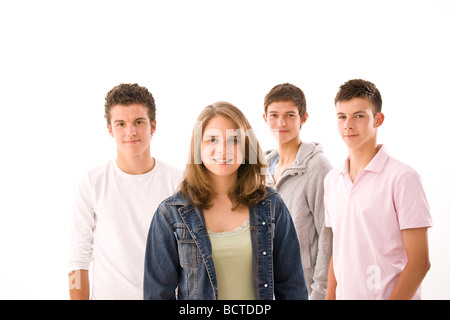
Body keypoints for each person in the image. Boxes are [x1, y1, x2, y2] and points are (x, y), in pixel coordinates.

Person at [143, 101, 308, 300]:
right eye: (212, 139)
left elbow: (292, 288)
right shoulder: (170, 213)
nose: (223, 150)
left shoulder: (272, 206)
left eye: (233, 140)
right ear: (198, 147)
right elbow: (157, 294)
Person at [68, 83, 182, 299]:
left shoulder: (178, 182)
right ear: (110, 129)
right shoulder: (92, 182)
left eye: (139, 122)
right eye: (121, 124)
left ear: (153, 126)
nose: (131, 132)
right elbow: (78, 258)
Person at [324, 79, 432, 300]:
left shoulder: (403, 178)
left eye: (359, 115)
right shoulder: (332, 180)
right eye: (342, 117)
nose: (348, 125)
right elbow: (339, 249)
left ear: (378, 119)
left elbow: (420, 261)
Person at [263, 83, 333, 300]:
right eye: (274, 115)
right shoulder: (260, 169)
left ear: (303, 118)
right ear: (265, 118)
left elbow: (328, 235)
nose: (281, 123)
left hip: (303, 290)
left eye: (290, 115)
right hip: (266, 289)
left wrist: (319, 294)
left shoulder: (318, 167)